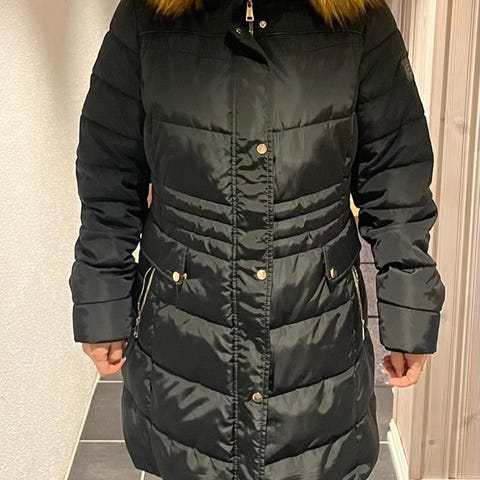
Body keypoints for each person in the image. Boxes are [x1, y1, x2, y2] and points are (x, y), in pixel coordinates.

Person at [68, 0, 446, 478]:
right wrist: (102, 299)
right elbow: (108, 173)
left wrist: (408, 307)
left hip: (315, 330)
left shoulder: (358, 17)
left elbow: (396, 180)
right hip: (186, 327)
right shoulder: (148, 17)